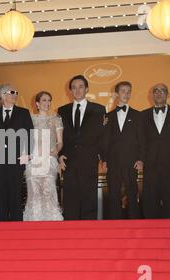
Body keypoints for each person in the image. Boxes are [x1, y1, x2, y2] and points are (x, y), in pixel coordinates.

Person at [58, 75, 106, 220]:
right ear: (70, 91)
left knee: (89, 199)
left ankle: (89, 234)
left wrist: (104, 158)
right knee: (70, 199)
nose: (77, 90)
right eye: (74, 87)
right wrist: (59, 155)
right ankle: (70, 235)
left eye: (80, 87)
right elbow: (59, 137)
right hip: (69, 161)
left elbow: (102, 136)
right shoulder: (62, 110)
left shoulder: (99, 109)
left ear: (87, 89)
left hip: (89, 160)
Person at [0, 84, 34, 221]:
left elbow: (30, 134)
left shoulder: (23, 112)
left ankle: (17, 229)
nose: (15, 94)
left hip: (16, 160)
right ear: (2, 95)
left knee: (15, 196)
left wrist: (28, 154)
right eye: (12, 92)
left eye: (16, 92)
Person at [101, 81, 143, 219]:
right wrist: (104, 160)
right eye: (123, 91)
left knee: (132, 192)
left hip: (131, 161)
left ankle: (135, 225)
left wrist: (140, 159)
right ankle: (114, 226)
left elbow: (141, 140)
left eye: (129, 91)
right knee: (113, 193)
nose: (126, 94)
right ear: (117, 94)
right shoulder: (107, 116)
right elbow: (105, 140)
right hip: (113, 162)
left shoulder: (138, 115)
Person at [141, 84, 170, 219]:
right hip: (150, 165)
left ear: (168, 95)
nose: (158, 93)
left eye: (162, 91)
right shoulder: (142, 115)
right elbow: (139, 141)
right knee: (150, 201)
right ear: (151, 95)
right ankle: (151, 234)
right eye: (155, 91)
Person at [23, 91, 64, 221]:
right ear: (37, 103)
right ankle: (34, 223)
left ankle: (51, 224)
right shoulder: (30, 119)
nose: (47, 103)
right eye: (44, 100)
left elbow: (60, 141)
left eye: (49, 100)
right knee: (33, 194)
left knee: (48, 192)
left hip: (48, 160)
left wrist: (57, 150)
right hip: (33, 161)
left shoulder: (55, 119)